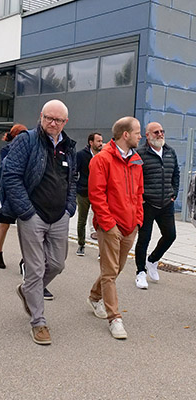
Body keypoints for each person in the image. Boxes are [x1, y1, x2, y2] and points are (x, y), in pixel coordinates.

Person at [3, 100, 77, 345]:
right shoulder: (27, 140)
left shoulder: (68, 147)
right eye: (48, 118)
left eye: (57, 120)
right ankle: (38, 322)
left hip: (59, 216)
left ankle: (27, 291)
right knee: (34, 269)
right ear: (41, 116)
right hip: (32, 215)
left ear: (65, 122)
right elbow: (10, 175)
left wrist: (69, 208)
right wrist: (26, 211)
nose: (52, 123)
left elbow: (71, 181)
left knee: (56, 264)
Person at [87, 116, 143, 340]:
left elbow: (139, 193)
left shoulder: (137, 160)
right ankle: (115, 318)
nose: (141, 136)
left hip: (130, 225)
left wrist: (138, 220)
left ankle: (94, 296)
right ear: (126, 134)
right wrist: (108, 224)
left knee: (117, 269)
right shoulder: (101, 160)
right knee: (110, 272)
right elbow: (96, 195)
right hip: (110, 225)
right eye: (137, 132)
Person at [134, 122, 179, 289]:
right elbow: (133, 178)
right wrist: (140, 198)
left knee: (170, 235)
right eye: (156, 132)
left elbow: (176, 174)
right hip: (147, 204)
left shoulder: (170, 152)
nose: (160, 134)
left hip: (166, 203)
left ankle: (152, 260)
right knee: (144, 239)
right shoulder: (140, 154)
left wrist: (174, 193)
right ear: (147, 135)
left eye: (162, 131)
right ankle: (140, 272)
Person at [0, 124, 27, 269]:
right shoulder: (6, 151)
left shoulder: (29, 150)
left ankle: (26, 259)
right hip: (8, 192)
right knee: (4, 224)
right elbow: (3, 174)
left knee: (26, 227)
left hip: (24, 193)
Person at [76, 132, 103, 256]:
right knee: (82, 220)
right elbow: (74, 172)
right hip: (83, 192)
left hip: (99, 193)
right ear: (91, 142)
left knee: (100, 220)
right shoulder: (81, 155)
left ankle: (101, 249)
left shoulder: (104, 155)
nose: (100, 143)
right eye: (98, 141)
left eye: (101, 141)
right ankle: (81, 244)